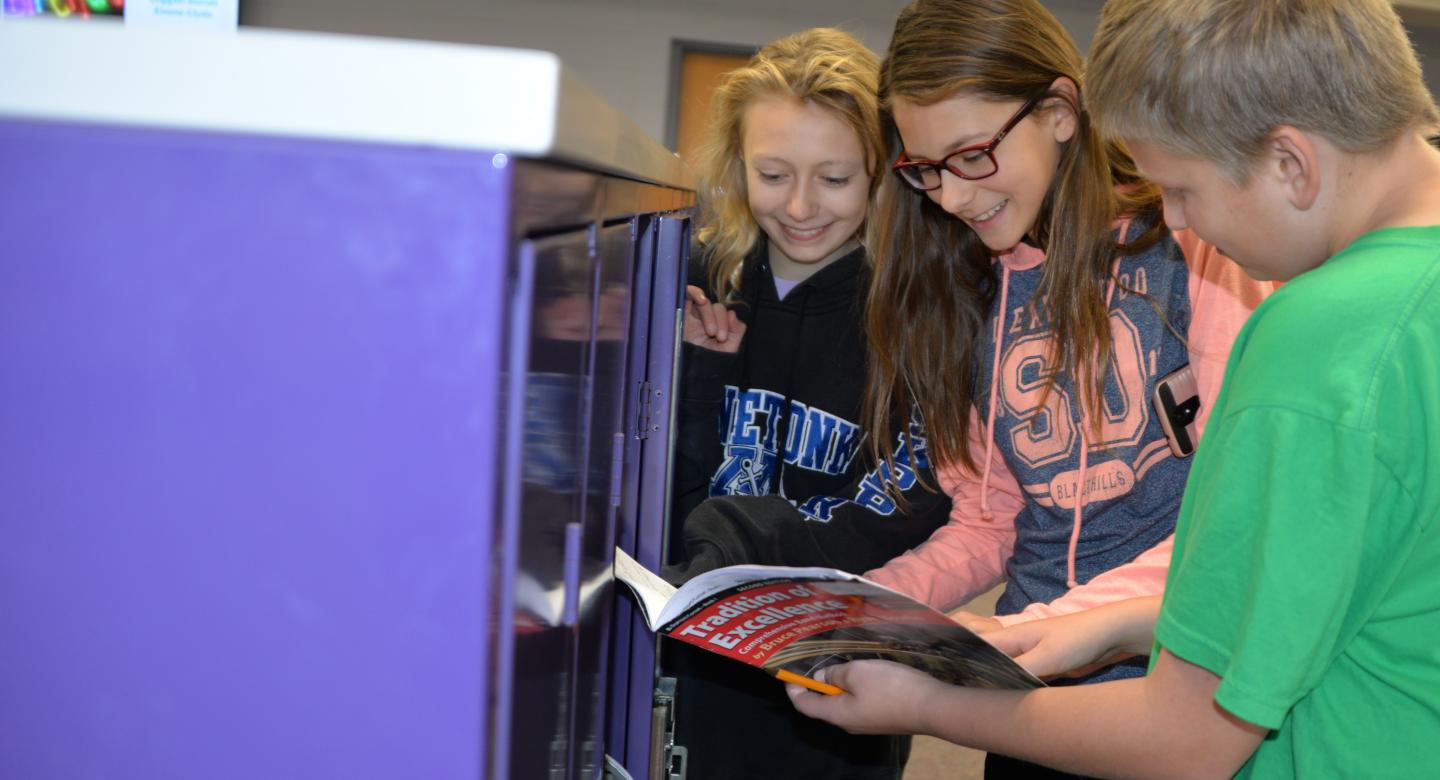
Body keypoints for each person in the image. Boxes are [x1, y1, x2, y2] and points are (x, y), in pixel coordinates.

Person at [789, 0, 1440, 777]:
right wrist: (1096, 625)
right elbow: (1309, 586)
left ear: (1290, 162)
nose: (1171, 215)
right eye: (928, 171)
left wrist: (931, 704)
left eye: (1182, 190)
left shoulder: (1312, 337)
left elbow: (1192, 733)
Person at [674, 0, 1269, 776]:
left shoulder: (1195, 251)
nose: (951, 197)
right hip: (1027, 694)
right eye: (926, 169)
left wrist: (1057, 626)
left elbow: (1233, 519)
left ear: (1059, 111)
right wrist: (855, 611)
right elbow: (987, 522)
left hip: (1178, 686)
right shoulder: (970, 287)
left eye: (972, 156)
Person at [665, 28, 950, 780]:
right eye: (773, 173)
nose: (798, 206)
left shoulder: (920, 317)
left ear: (883, 176)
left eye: (834, 179)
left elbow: (917, 498)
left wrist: (740, 546)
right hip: (695, 664)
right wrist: (703, 374)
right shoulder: (695, 283)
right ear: (738, 166)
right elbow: (655, 477)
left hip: (840, 670)